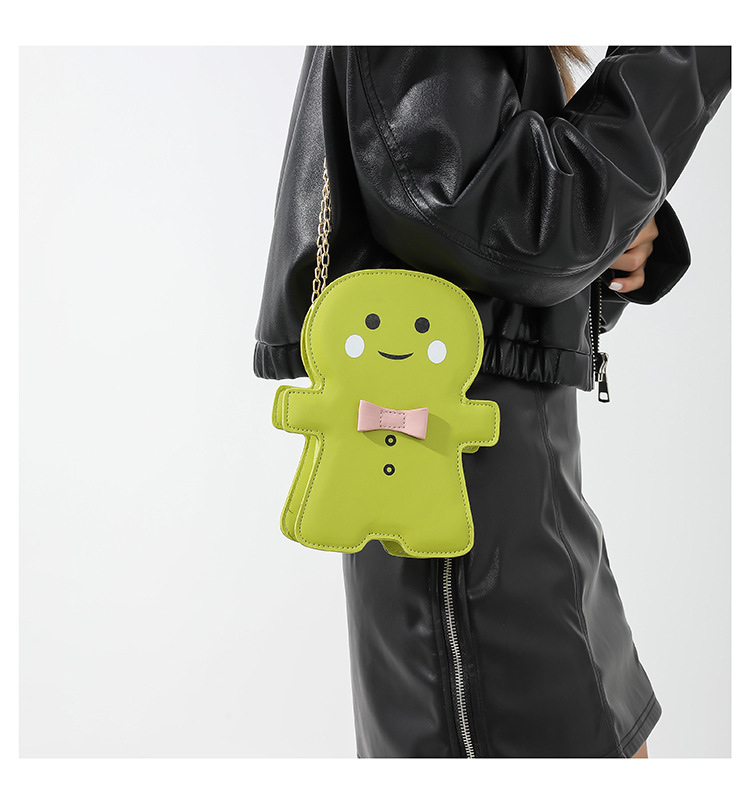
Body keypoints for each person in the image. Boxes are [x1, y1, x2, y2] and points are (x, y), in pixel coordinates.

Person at [254, 46, 731, 758]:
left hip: (528, 504)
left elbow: (513, 263)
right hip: (468, 518)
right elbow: (500, 228)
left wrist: (615, 229)